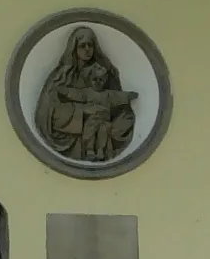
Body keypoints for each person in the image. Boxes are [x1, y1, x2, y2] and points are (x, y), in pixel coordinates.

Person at [33, 27, 138, 163]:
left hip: (103, 127)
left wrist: (110, 124)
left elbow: (121, 107)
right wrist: (82, 111)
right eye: (82, 45)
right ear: (74, 49)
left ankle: (100, 148)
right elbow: (46, 113)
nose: (87, 49)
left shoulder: (105, 73)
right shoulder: (61, 77)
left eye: (90, 45)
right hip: (73, 136)